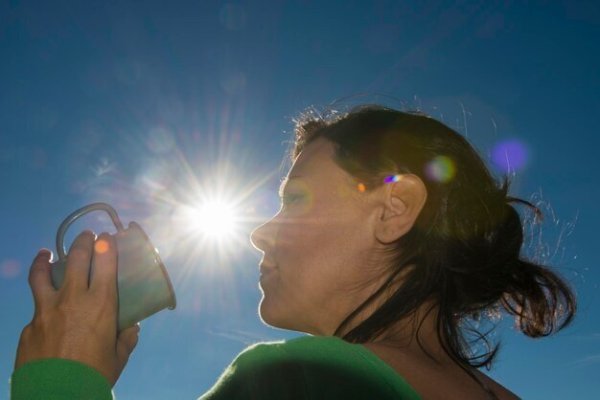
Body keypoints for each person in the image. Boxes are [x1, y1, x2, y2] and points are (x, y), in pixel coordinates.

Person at [10, 106, 576, 399]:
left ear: (392, 209)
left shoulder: (297, 380)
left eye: (296, 199)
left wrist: (62, 377)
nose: (261, 233)